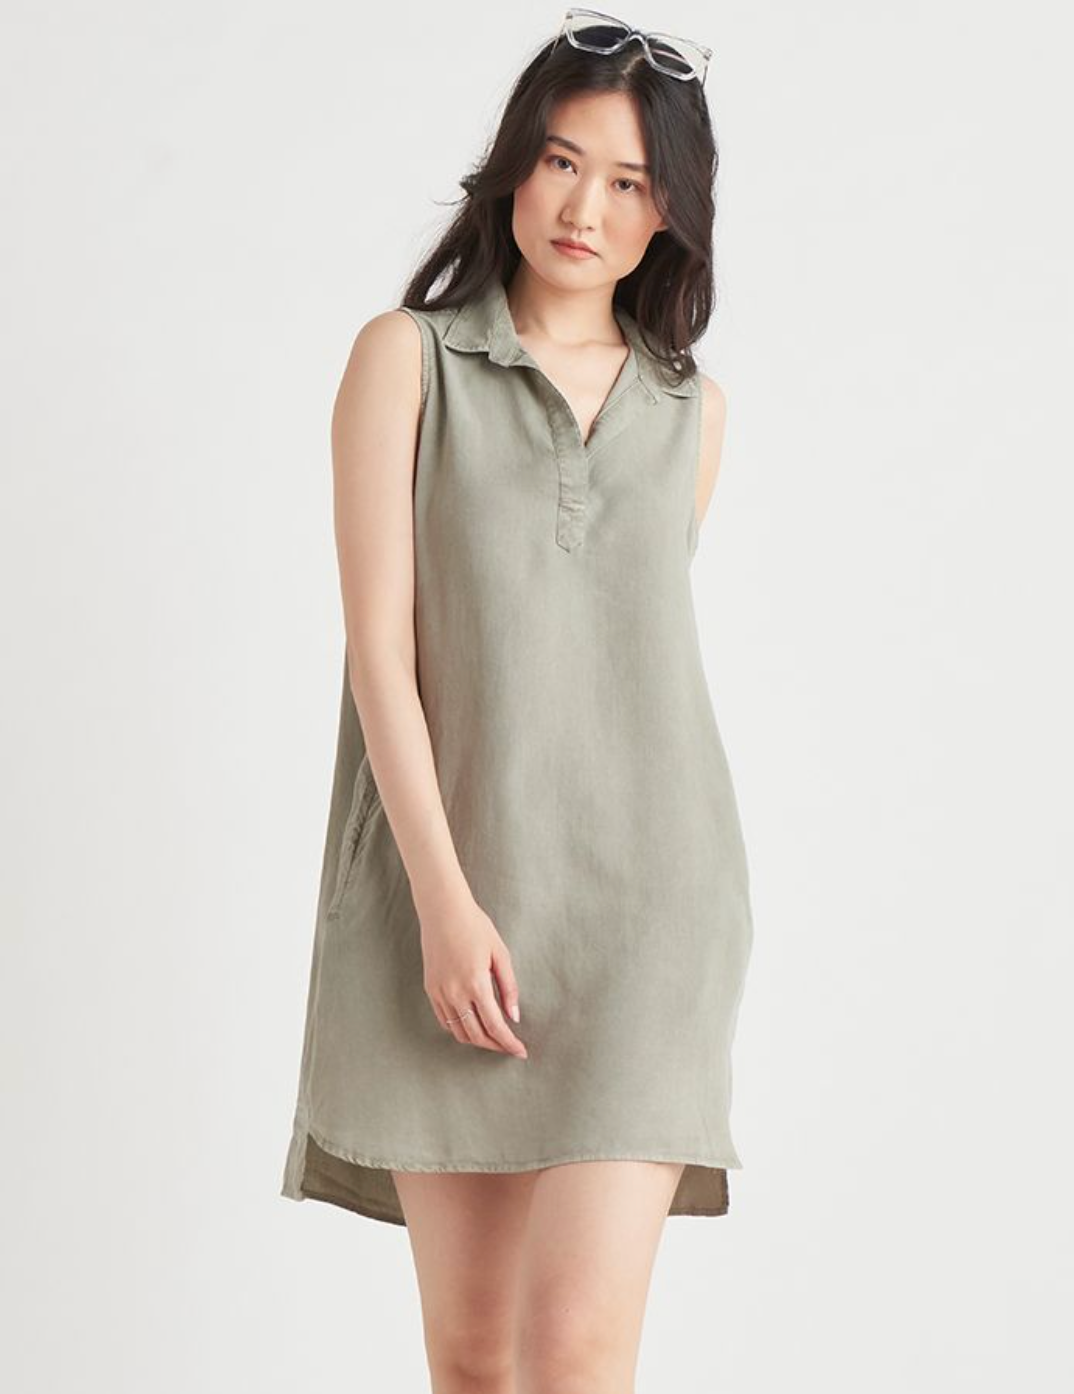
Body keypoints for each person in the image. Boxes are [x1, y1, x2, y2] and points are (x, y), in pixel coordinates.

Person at [281, 11, 754, 1390]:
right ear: (513, 167)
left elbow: (622, 668)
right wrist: (442, 904)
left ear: (670, 213)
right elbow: (380, 651)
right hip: (450, 906)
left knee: (575, 1351)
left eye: (628, 181)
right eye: (561, 162)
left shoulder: (693, 411)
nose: (585, 209)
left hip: (650, 918)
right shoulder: (406, 359)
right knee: (476, 1362)